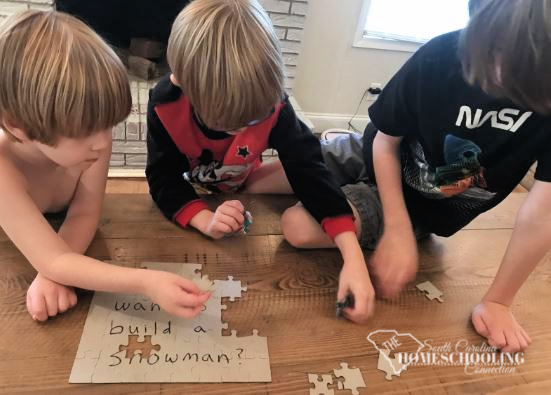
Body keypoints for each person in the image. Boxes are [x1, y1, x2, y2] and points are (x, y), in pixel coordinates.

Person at [281, 0, 551, 352]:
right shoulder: (441, 54)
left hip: (418, 207)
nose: (499, 74)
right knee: (261, 175)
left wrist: (499, 302)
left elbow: (541, 214)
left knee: (298, 227)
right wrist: (392, 228)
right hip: (377, 151)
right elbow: (384, 142)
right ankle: (343, 166)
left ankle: (357, 192)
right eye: (495, 49)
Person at [146, 0, 375, 323]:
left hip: (246, 180)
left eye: (256, 119)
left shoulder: (275, 104)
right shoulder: (164, 104)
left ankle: (357, 155)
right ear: (184, 83)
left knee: (313, 163)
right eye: (230, 124)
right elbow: (162, 177)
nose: (244, 131)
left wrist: (352, 255)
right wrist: (205, 220)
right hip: (198, 190)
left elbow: (307, 169)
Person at [0, 10, 211, 322]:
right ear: (18, 126)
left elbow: (85, 213)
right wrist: (146, 281)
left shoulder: (92, 143)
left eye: (108, 125)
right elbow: (52, 259)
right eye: (85, 130)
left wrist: (53, 272)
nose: (101, 142)